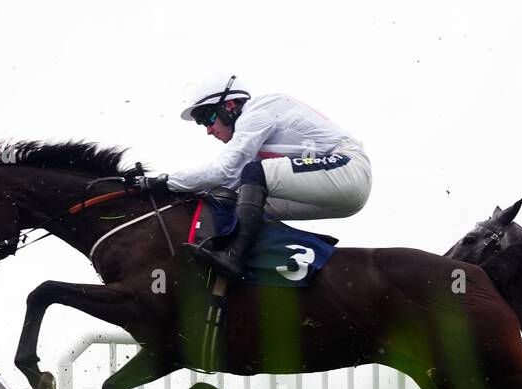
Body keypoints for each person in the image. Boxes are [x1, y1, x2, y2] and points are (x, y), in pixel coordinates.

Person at [128, 75, 372, 279]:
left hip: (348, 168)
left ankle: (234, 257)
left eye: (208, 118)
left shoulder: (257, 112)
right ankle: (270, 263)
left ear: (231, 105)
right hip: (339, 186)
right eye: (202, 123)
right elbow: (224, 183)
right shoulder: (253, 130)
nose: (208, 130)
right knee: (235, 198)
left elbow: (223, 171)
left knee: (253, 174)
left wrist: (161, 181)